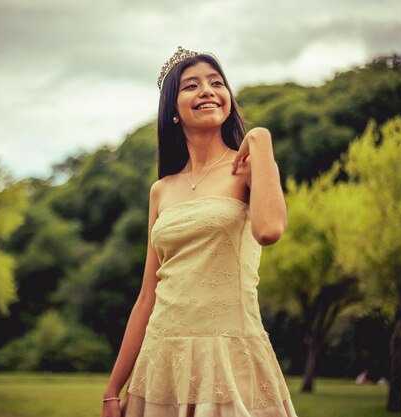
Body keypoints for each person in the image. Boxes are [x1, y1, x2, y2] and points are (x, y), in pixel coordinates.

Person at [101, 46, 298, 417]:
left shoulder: (248, 168)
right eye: (191, 85)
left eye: (216, 82)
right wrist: (113, 388)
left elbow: (270, 230)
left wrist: (260, 138)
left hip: (228, 355)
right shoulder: (161, 190)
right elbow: (148, 296)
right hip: (162, 358)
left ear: (228, 99)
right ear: (173, 111)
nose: (207, 90)